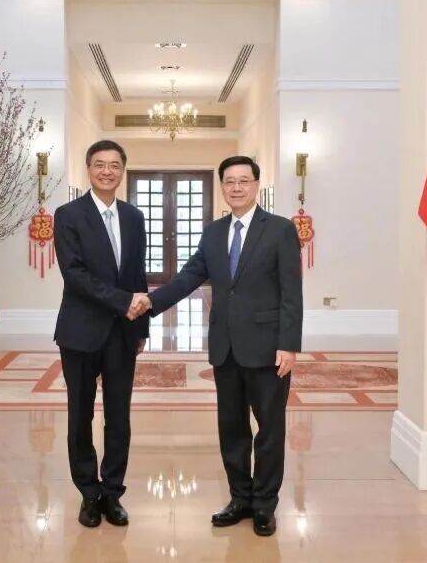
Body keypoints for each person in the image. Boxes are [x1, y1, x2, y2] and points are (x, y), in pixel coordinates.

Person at [128, 155, 302, 536]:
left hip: (268, 348)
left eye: (243, 181)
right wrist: (150, 302)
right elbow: (189, 277)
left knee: (270, 430)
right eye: (229, 182)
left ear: (256, 185)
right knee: (232, 428)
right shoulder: (213, 232)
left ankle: (264, 505)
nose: (236, 187)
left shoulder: (279, 230)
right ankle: (240, 497)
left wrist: (289, 344)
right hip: (225, 347)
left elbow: (292, 292)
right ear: (222, 187)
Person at [53, 140, 149, 528]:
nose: (107, 171)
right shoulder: (68, 215)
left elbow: (137, 273)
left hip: (123, 333)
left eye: (114, 165)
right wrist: (123, 301)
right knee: (80, 414)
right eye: (99, 164)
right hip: (80, 330)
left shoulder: (134, 217)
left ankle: (111, 492)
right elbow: (74, 274)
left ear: (122, 170)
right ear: (88, 169)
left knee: (118, 416)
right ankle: (88, 494)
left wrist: (140, 326)